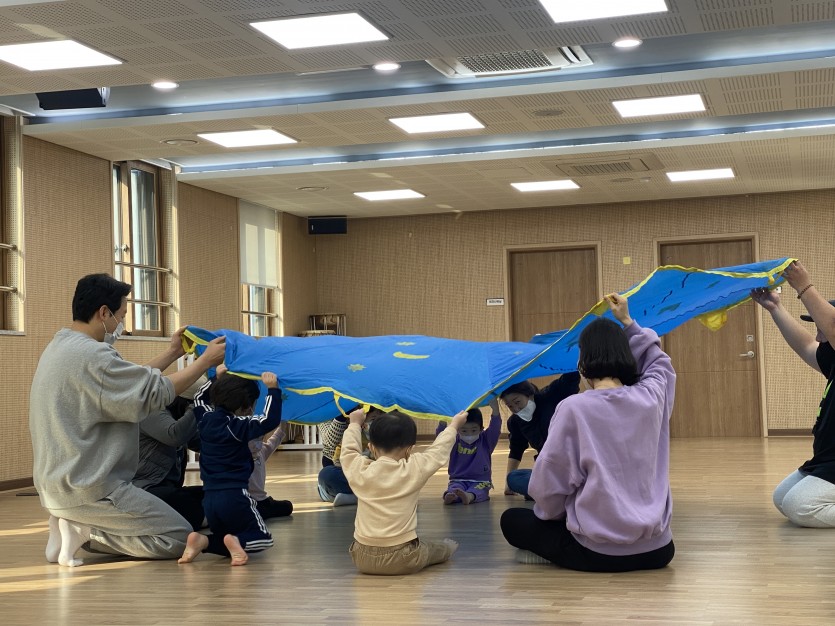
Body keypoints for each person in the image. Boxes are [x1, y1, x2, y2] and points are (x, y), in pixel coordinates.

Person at [30, 273, 225, 567]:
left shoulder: (62, 346)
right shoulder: (94, 356)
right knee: (178, 537)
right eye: (121, 315)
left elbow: (131, 381)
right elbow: (153, 391)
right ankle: (85, 531)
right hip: (91, 489)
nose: (121, 323)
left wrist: (173, 352)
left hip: (57, 486)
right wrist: (205, 362)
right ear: (104, 313)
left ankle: (69, 527)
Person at [501, 293, 677, 572]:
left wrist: (554, 515)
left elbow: (551, 484)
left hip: (599, 553)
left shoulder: (574, 408)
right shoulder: (652, 396)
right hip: (659, 550)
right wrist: (628, 322)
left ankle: (551, 554)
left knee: (512, 521)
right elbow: (660, 364)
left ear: (583, 364)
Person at [752, 260, 835, 527]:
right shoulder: (832, 359)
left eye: (820, 327)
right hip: (826, 459)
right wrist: (775, 308)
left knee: (799, 506)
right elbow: (807, 346)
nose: (818, 336)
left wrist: (804, 285)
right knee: (782, 498)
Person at [342, 408, 466, 575]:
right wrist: (453, 426)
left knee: (424, 547)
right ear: (409, 450)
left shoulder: (360, 471)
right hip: (402, 558)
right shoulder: (413, 469)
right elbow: (438, 451)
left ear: (371, 447)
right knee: (432, 549)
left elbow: (349, 452)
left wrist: (354, 424)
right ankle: (447, 549)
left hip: (361, 557)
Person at [179, 371, 283, 566]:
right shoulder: (238, 425)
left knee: (225, 537)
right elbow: (270, 420)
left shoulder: (205, 419)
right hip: (235, 495)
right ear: (244, 407)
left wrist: (215, 378)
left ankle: (203, 541)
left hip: (209, 499)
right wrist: (273, 390)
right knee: (262, 538)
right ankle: (238, 542)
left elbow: (199, 397)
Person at [132, 377, 207, 531]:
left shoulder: (176, 418)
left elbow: (203, 443)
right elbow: (174, 435)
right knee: (184, 502)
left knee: (213, 494)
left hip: (168, 488)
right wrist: (199, 406)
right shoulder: (150, 411)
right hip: (144, 489)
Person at [499, 371, 581, 498]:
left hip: (574, 462)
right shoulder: (515, 421)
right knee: (513, 478)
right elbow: (516, 450)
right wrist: (507, 484)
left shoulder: (550, 395)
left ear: (529, 394)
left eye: (517, 402)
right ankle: (560, 490)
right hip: (549, 470)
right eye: (510, 406)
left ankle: (552, 491)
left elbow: (571, 377)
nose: (515, 409)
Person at [436, 399, 502, 504]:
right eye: (464, 431)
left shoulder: (486, 440)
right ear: (457, 429)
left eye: (474, 430)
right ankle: (451, 496)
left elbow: (495, 428)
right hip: (458, 479)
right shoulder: (454, 440)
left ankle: (470, 496)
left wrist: (495, 410)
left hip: (480, 480)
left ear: (481, 428)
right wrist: (442, 419)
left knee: (480, 490)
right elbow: (442, 436)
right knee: (455, 488)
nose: (469, 434)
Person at [317, 407, 382, 506]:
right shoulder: (326, 411)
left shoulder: (375, 409)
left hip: (372, 471)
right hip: (346, 472)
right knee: (327, 475)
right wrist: (345, 418)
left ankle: (356, 496)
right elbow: (329, 443)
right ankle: (368, 494)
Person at [248, 424, 294, 520]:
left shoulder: (261, 452)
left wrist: (283, 425)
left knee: (288, 506)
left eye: (261, 439)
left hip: (262, 502)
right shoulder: (238, 456)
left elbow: (273, 441)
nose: (258, 443)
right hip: (246, 502)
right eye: (255, 440)